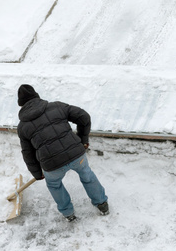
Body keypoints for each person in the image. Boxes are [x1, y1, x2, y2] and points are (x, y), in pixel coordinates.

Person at [16, 84, 108, 222]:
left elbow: (27, 153)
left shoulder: (22, 127)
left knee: (54, 185)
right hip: (77, 155)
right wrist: (83, 139)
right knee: (87, 175)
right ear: (37, 96)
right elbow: (84, 117)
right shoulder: (57, 106)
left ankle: (68, 213)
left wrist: (37, 173)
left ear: (21, 105)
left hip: (52, 165)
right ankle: (102, 205)